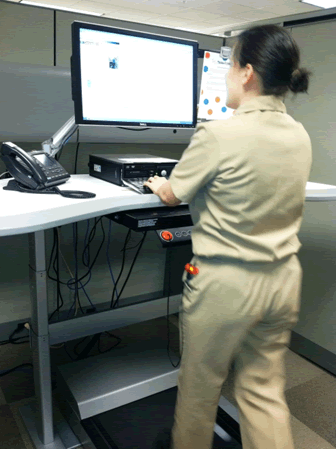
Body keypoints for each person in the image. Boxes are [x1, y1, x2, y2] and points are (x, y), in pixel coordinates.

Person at [144, 24, 313, 449]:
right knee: (263, 389)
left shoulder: (218, 134)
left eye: (230, 63)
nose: (225, 75)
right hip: (282, 281)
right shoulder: (299, 134)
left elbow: (172, 193)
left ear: (247, 73)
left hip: (226, 287)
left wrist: (152, 183)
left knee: (201, 389)